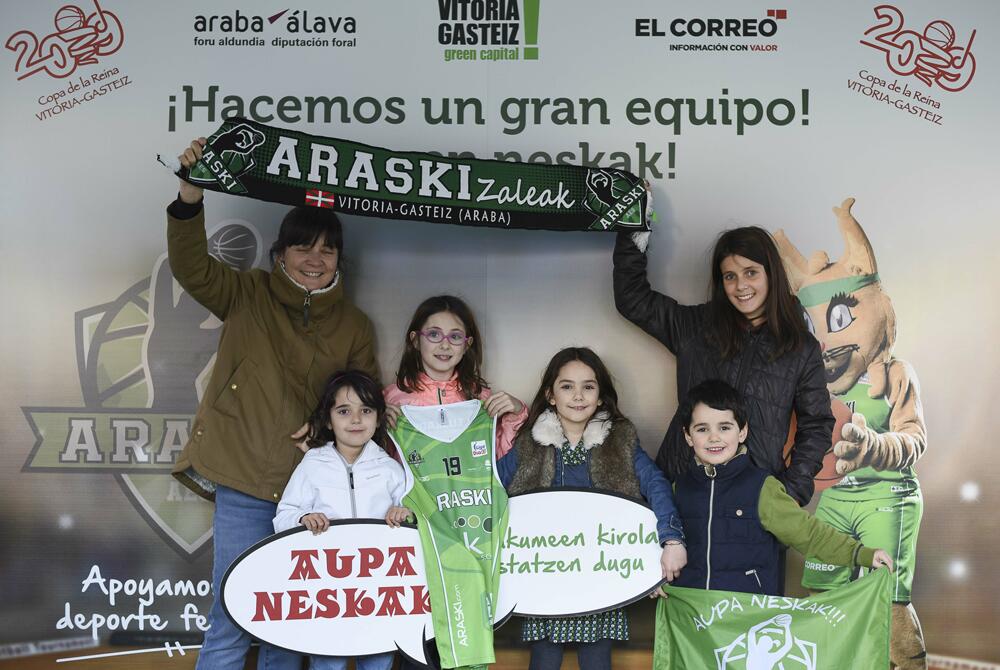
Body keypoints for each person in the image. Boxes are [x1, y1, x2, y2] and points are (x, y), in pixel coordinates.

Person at [169, 138, 378, 670]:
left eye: (326, 249)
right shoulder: (248, 293)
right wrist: (190, 196)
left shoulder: (354, 325)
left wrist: (323, 428)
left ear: (339, 259)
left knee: (286, 620)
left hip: (313, 493)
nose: (315, 258)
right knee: (232, 612)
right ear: (281, 253)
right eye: (303, 247)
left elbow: (363, 400)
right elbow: (192, 268)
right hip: (243, 479)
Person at [613, 226, 833, 507]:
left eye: (750, 272)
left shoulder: (799, 347)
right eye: (730, 276)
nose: (741, 286)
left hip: (754, 501)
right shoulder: (696, 327)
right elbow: (632, 298)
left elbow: (817, 424)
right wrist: (635, 223)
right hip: (682, 491)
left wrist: (790, 493)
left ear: (771, 274)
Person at [497, 347, 687, 670]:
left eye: (588, 386)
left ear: (600, 396)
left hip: (600, 580)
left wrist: (671, 540)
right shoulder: (529, 445)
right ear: (551, 395)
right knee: (543, 660)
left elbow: (655, 485)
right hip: (547, 581)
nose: (578, 395)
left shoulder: (620, 442)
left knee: (597, 661)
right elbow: (490, 486)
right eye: (567, 386)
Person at [671, 379, 892, 595]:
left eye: (724, 427)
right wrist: (652, 582)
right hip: (692, 620)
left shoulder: (761, 488)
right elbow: (659, 546)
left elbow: (808, 533)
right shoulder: (678, 489)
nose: (714, 437)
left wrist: (859, 553)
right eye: (702, 429)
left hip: (747, 620)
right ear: (688, 436)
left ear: (742, 432)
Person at [273, 371, 409, 670]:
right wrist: (304, 518)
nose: (356, 420)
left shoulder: (390, 469)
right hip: (326, 595)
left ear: (379, 418)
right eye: (344, 411)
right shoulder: (312, 464)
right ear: (328, 418)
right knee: (327, 663)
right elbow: (283, 515)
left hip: (378, 594)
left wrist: (404, 514)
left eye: (366, 410)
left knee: (377, 661)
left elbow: (413, 518)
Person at [383, 295, 527, 457]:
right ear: (415, 340)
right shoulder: (391, 399)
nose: (445, 345)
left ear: (467, 345)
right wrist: (375, 421)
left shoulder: (481, 399)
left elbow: (499, 461)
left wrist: (517, 413)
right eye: (434, 334)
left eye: (455, 337)